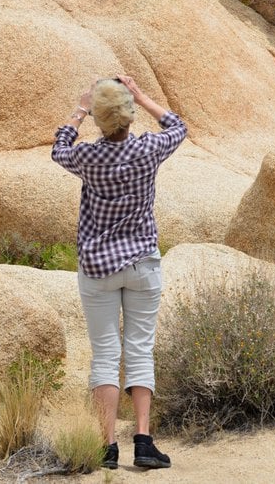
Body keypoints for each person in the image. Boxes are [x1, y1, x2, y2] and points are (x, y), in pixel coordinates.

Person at [51, 75, 188, 470]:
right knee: (140, 350)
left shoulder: (88, 158)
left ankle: (107, 446)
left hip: (98, 268)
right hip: (142, 262)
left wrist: (80, 108)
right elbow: (177, 126)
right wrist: (143, 96)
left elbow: (59, 148)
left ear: (100, 119)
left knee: (106, 356)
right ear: (128, 115)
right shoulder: (148, 149)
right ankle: (144, 442)